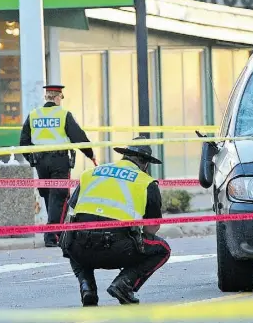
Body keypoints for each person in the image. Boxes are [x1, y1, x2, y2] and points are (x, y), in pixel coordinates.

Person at [60, 136, 171, 306]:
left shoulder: (91, 173)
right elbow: (151, 229)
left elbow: (70, 210)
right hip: (117, 249)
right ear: (145, 164)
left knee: (68, 237)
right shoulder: (146, 182)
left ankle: (86, 285)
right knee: (163, 249)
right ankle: (124, 284)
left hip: (81, 247)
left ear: (125, 155)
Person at [20, 84, 96, 247]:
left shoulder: (33, 115)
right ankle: (52, 234)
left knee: (49, 196)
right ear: (56, 97)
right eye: (60, 98)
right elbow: (79, 137)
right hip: (59, 161)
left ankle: (57, 231)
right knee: (59, 197)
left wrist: (32, 159)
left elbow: (23, 142)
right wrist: (91, 155)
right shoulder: (63, 114)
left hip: (40, 161)